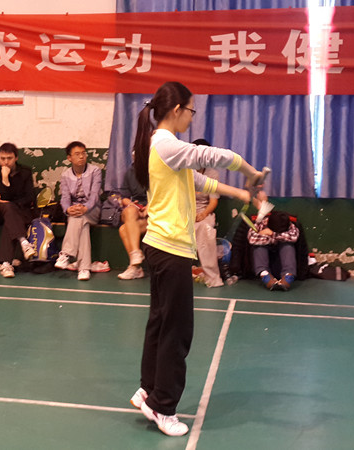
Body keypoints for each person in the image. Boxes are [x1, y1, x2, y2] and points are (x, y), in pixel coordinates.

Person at [128, 82, 265, 437]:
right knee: (177, 332)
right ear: (177, 111)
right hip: (170, 250)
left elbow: (197, 182)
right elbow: (213, 156)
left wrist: (240, 193)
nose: (192, 117)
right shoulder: (167, 144)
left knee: (160, 323)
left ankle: (147, 389)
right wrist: (248, 170)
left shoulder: (160, 146)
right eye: (191, 110)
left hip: (160, 246)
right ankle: (163, 407)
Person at [54, 141, 101, 281]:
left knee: (80, 217)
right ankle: (84, 269)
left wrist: (86, 207)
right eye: (77, 154)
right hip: (76, 211)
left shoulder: (95, 171)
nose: (81, 157)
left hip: (93, 210)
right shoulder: (65, 175)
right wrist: (68, 209)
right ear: (69, 158)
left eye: (83, 153)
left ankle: (66, 254)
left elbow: (95, 195)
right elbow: (65, 198)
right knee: (80, 222)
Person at [0, 143, 37, 278]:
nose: (6, 162)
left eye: (9, 158)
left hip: (21, 210)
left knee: (9, 217)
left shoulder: (25, 172)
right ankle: (24, 242)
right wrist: (5, 178)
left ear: (16, 158)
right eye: (2, 158)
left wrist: (12, 202)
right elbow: (1, 197)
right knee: (7, 208)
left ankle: (6, 263)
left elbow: (29, 197)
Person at [192, 138, 224, 288]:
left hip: (204, 211)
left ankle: (212, 277)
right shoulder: (183, 171)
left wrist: (203, 215)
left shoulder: (212, 174)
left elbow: (213, 202)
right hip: (184, 211)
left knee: (205, 229)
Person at [248, 209, 299, 291]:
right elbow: (252, 238)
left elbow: (293, 237)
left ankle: (288, 276)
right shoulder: (260, 224)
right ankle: (265, 275)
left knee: (288, 245)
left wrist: (272, 234)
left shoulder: (289, 224)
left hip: (281, 263)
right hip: (265, 264)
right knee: (259, 247)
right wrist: (278, 237)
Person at [117, 164, 148, 280]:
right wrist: (132, 205)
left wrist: (149, 207)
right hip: (137, 209)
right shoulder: (130, 172)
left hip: (156, 212)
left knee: (123, 230)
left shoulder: (158, 168)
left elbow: (162, 195)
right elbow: (124, 197)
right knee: (130, 210)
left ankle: (135, 268)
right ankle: (136, 253)